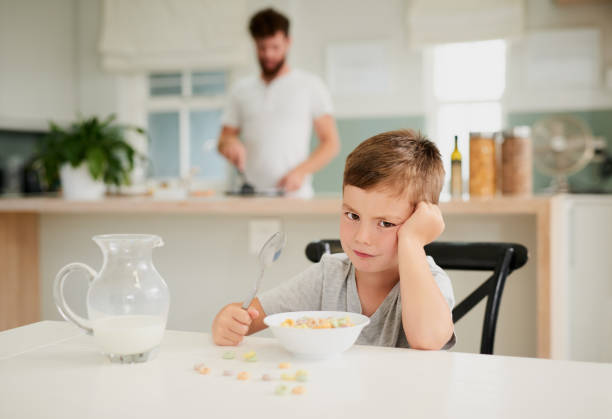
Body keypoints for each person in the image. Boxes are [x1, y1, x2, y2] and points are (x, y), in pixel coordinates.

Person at [212, 129, 456, 350]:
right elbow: (249, 316)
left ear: (420, 221)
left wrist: (412, 242)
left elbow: (427, 339)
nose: (362, 238)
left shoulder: (432, 282)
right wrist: (229, 320)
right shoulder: (329, 276)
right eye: (352, 215)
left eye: (385, 223)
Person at [218, 8, 340, 198]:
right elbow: (224, 139)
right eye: (262, 48)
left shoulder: (310, 85)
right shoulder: (240, 90)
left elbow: (330, 143)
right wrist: (230, 143)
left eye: (275, 47)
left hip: (295, 196)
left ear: (288, 42)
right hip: (249, 195)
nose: (268, 55)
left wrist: (301, 171)